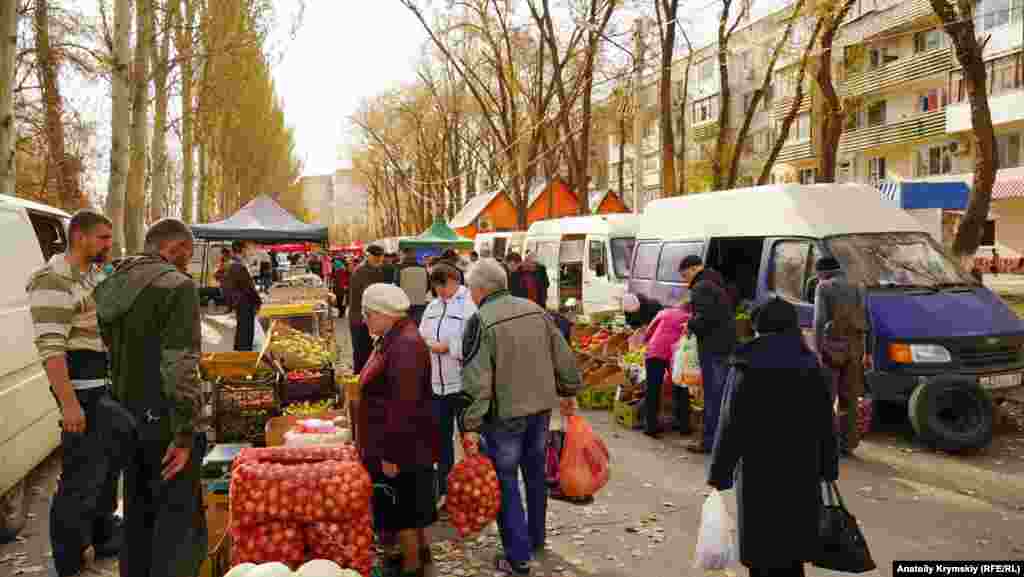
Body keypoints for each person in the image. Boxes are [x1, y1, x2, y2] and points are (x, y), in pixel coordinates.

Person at [93, 218, 207, 577]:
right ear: (174, 248)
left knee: (137, 515)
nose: (187, 262)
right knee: (177, 525)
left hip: (126, 415)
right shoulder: (177, 285)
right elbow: (179, 364)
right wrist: (185, 432)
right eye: (187, 254)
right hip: (165, 419)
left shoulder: (110, 282)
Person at [458, 259, 583, 576]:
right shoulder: (535, 310)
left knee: (506, 481)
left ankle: (518, 556)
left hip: (505, 416)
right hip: (540, 409)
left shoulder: (480, 321)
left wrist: (470, 424)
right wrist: (568, 390)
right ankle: (536, 538)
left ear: (480, 289)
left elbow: (476, 380)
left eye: (471, 288)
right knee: (535, 475)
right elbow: (563, 355)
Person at [708, 297, 839, 577]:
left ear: (758, 326)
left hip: (759, 473)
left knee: (762, 552)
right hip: (802, 470)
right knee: (793, 552)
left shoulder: (746, 364)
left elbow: (732, 423)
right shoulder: (810, 364)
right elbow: (826, 423)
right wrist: (829, 468)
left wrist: (720, 473)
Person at [27, 210, 123, 577]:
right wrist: (69, 405)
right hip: (80, 390)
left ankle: (102, 537)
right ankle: (68, 563)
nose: (109, 245)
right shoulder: (52, 280)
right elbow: (51, 350)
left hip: (100, 385)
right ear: (80, 237)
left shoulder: (92, 276)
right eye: (103, 238)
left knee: (106, 467)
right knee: (79, 481)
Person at [355, 283, 439, 577]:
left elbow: (404, 406)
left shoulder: (404, 345)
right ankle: (419, 559)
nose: (365, 320)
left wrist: (391, 454)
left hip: (403, 447)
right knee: (410, 508)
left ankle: (411, 567)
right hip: (405, 443)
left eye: (368, 314)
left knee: (403, 510)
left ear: (383, 313)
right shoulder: (395, 337)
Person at [418, 263, 478, 509]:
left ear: (455, 281)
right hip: (437, 385)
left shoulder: (469, 305)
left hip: (463, 384)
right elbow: (422, 334)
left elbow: (474, 341)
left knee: (470, 438)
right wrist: (427, 345)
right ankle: (445, 490)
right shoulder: (432, 307)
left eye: (444, 286)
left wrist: (449, 347)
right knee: (441, 440)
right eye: (436, 287)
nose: (440, 291)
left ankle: (475, 489)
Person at [679, 255, 736, 454]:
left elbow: (704, 318)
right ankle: (722, 441)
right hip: (726, 346)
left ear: (693, 269)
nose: (685, 280)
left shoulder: (701, 287)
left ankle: (710, 442)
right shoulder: (717, 282)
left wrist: (690, 324)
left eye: (685, 275)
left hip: (713, 348)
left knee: (713, 396)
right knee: (722, 396)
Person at [813, 256, 868, 455]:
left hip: (832, 347)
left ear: (823, 272)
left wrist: (818, 349)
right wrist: (867, 351)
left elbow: (819, 320)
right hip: (855, 348)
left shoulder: (823, 287)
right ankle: (847, 444)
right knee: (850, 397)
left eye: (818, 274)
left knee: (825, 396)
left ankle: (823, 443)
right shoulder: (859, 286)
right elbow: (867, 319)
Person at [641, 302, 692, 437]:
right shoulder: (689, 317)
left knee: (652, 389)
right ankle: (683, 425)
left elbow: (649, 331)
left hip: (654, 351)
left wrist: (647, 342)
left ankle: (650, 426)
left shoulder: (664, 312)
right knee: (680, 386)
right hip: (674, 354)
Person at [349, 244, 395, 373]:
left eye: (380, 258)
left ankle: (370, 377)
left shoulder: (379, 269)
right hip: (360, 318)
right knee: (361, 352)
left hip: (373, 317)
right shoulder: (361, 271)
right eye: (375, 258)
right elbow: (370, 293)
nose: (378, 260)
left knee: (372, 351)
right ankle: (359, 378)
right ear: (368, 256)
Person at [221, 240, 262, 351]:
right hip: (245, 302)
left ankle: (239, 351)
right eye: (247, 248)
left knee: (242, 329)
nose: (248, 251)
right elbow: (248, 287)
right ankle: (244, 353)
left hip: (238, 301)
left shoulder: (231, 264)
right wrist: (258, 300)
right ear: (242, 249)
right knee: (246, 331)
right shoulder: (238, 265)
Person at [397, 248, 430, 325]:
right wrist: (422, 292)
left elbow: (397, 284)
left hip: (404, 301)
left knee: (405, 325)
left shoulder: (399, 268)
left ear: (403, 254)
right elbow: (428, 284)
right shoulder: (423, 267)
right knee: (418, 324)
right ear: (414, 254)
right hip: (420, 300)